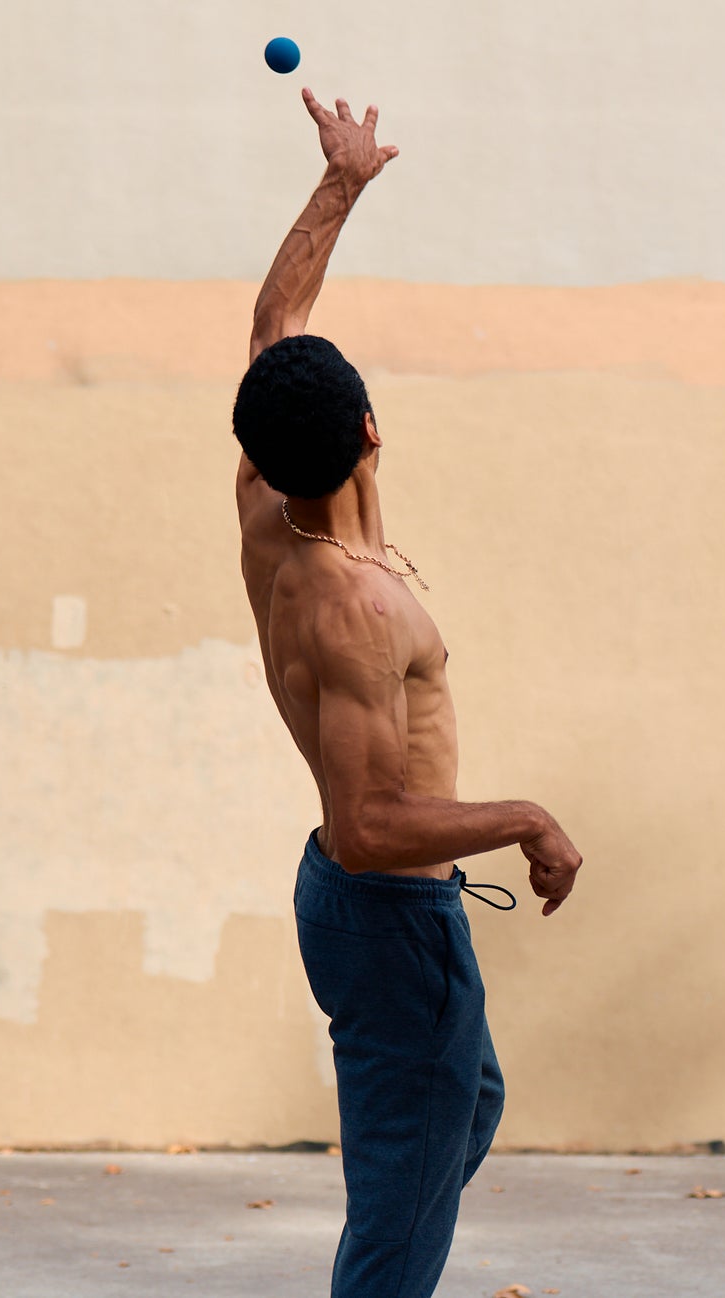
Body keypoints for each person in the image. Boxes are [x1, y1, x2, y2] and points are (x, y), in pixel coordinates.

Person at [232, 89, 585, 1298]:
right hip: (389, 911)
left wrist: (341, 182)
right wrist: (528, 816)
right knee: (401, 1210)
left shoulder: (265, 497)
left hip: (358, 906)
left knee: (460, 1106)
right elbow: (371, 822)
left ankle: (403, 1182)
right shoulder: (353, 610)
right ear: (372, 429)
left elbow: (277, 317)